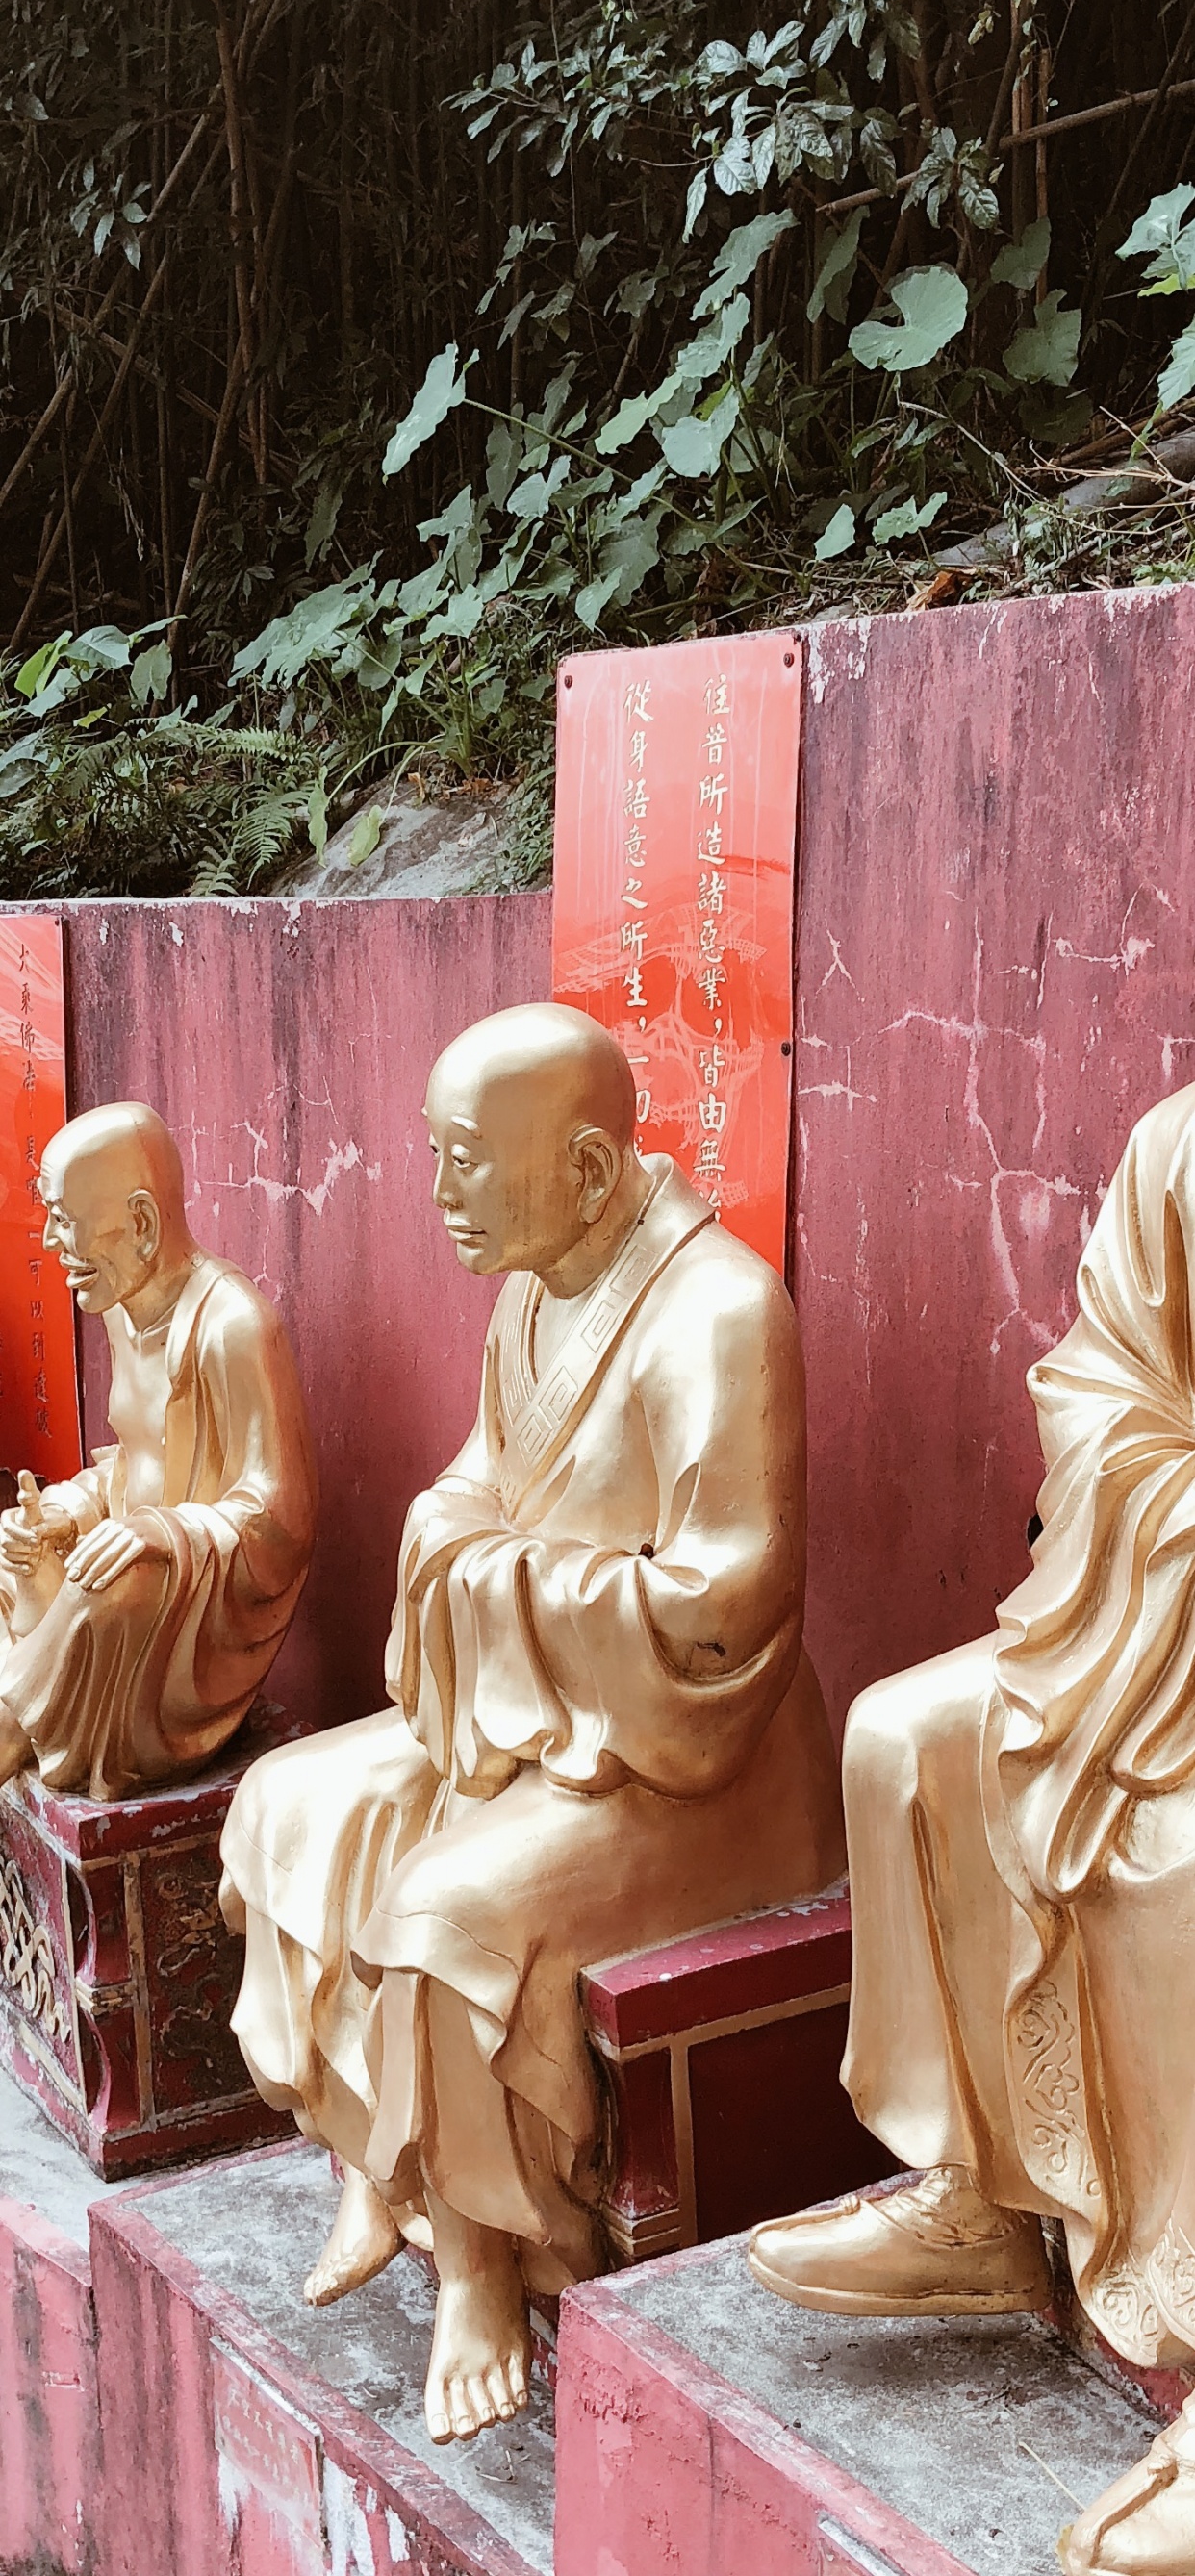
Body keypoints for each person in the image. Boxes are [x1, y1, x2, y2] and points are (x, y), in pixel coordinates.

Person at [221, 1001, 846, 2447]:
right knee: (291, 1802)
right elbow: (469, 1488)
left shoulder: (719, 1313)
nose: (439, 1192)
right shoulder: (536, 1291)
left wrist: (493, 1578)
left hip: (696, 1762)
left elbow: (726, 1604)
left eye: (465, 1160)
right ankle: (379, 2161)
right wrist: (467, 1553)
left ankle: (484, 2268)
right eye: (432, 1154)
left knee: (444, 1911)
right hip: (545, 1707)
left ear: (585, 1166)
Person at [749, 1078, 1195, 2576]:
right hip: (1162, 1618)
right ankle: (981, 2196)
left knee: (1177, 1871)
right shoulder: (1180, 1145)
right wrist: (1163, 1522)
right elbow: (1103, 1383)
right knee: (911, 1738)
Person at [0, 1101, 317, 1801]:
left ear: (140, 1223)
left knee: (112, 1587)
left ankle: (13, 1721)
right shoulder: (122, 1304)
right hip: (136, 1562)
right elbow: (139, 1459)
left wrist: (160, 1533)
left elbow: (282, 1516)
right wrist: (69, 1511)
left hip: (193, 1619)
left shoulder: (233, 1324)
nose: (50, 1241)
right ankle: (26, 1689)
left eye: (66, 1220)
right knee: (11, 1539)